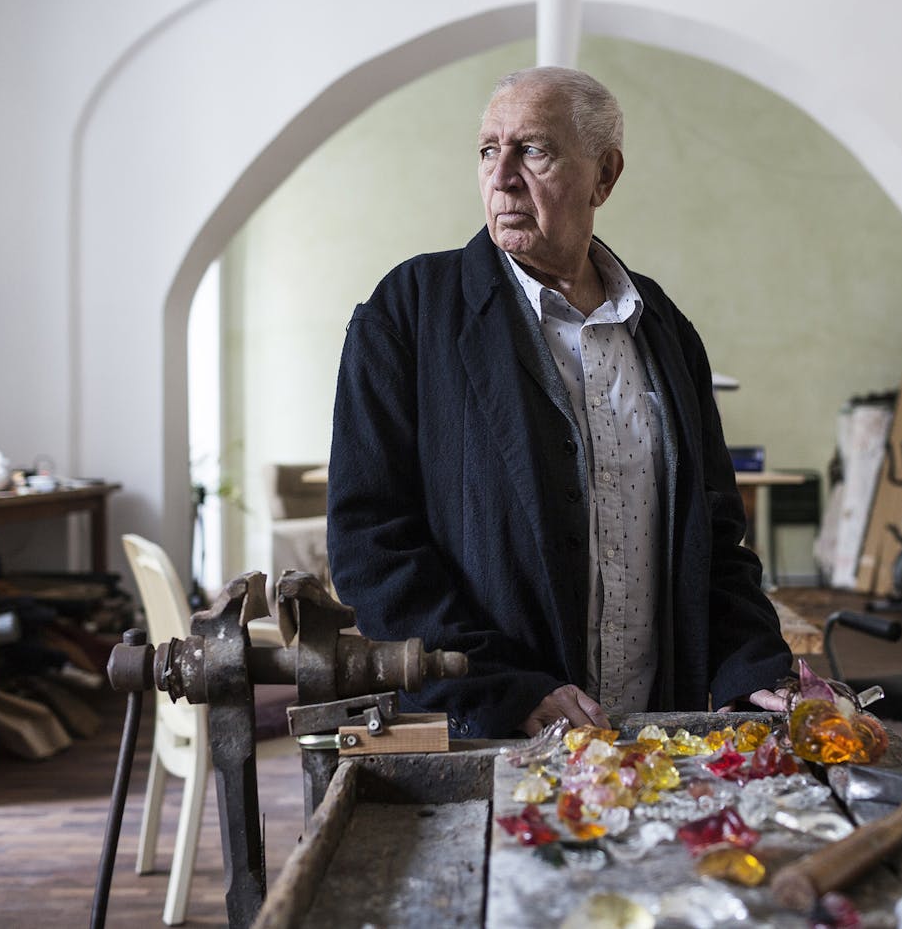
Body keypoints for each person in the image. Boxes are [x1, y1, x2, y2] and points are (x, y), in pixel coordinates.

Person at [327, 66, 792, 738]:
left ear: (604, 176)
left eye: (533, 151)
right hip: (490, 733)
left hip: (655, 732)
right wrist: (499, 688)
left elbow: (715, 537)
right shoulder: (408, 313)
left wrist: (749, 664)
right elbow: (371, 544)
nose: (502, 176)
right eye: (489, 150)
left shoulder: (660, 327)